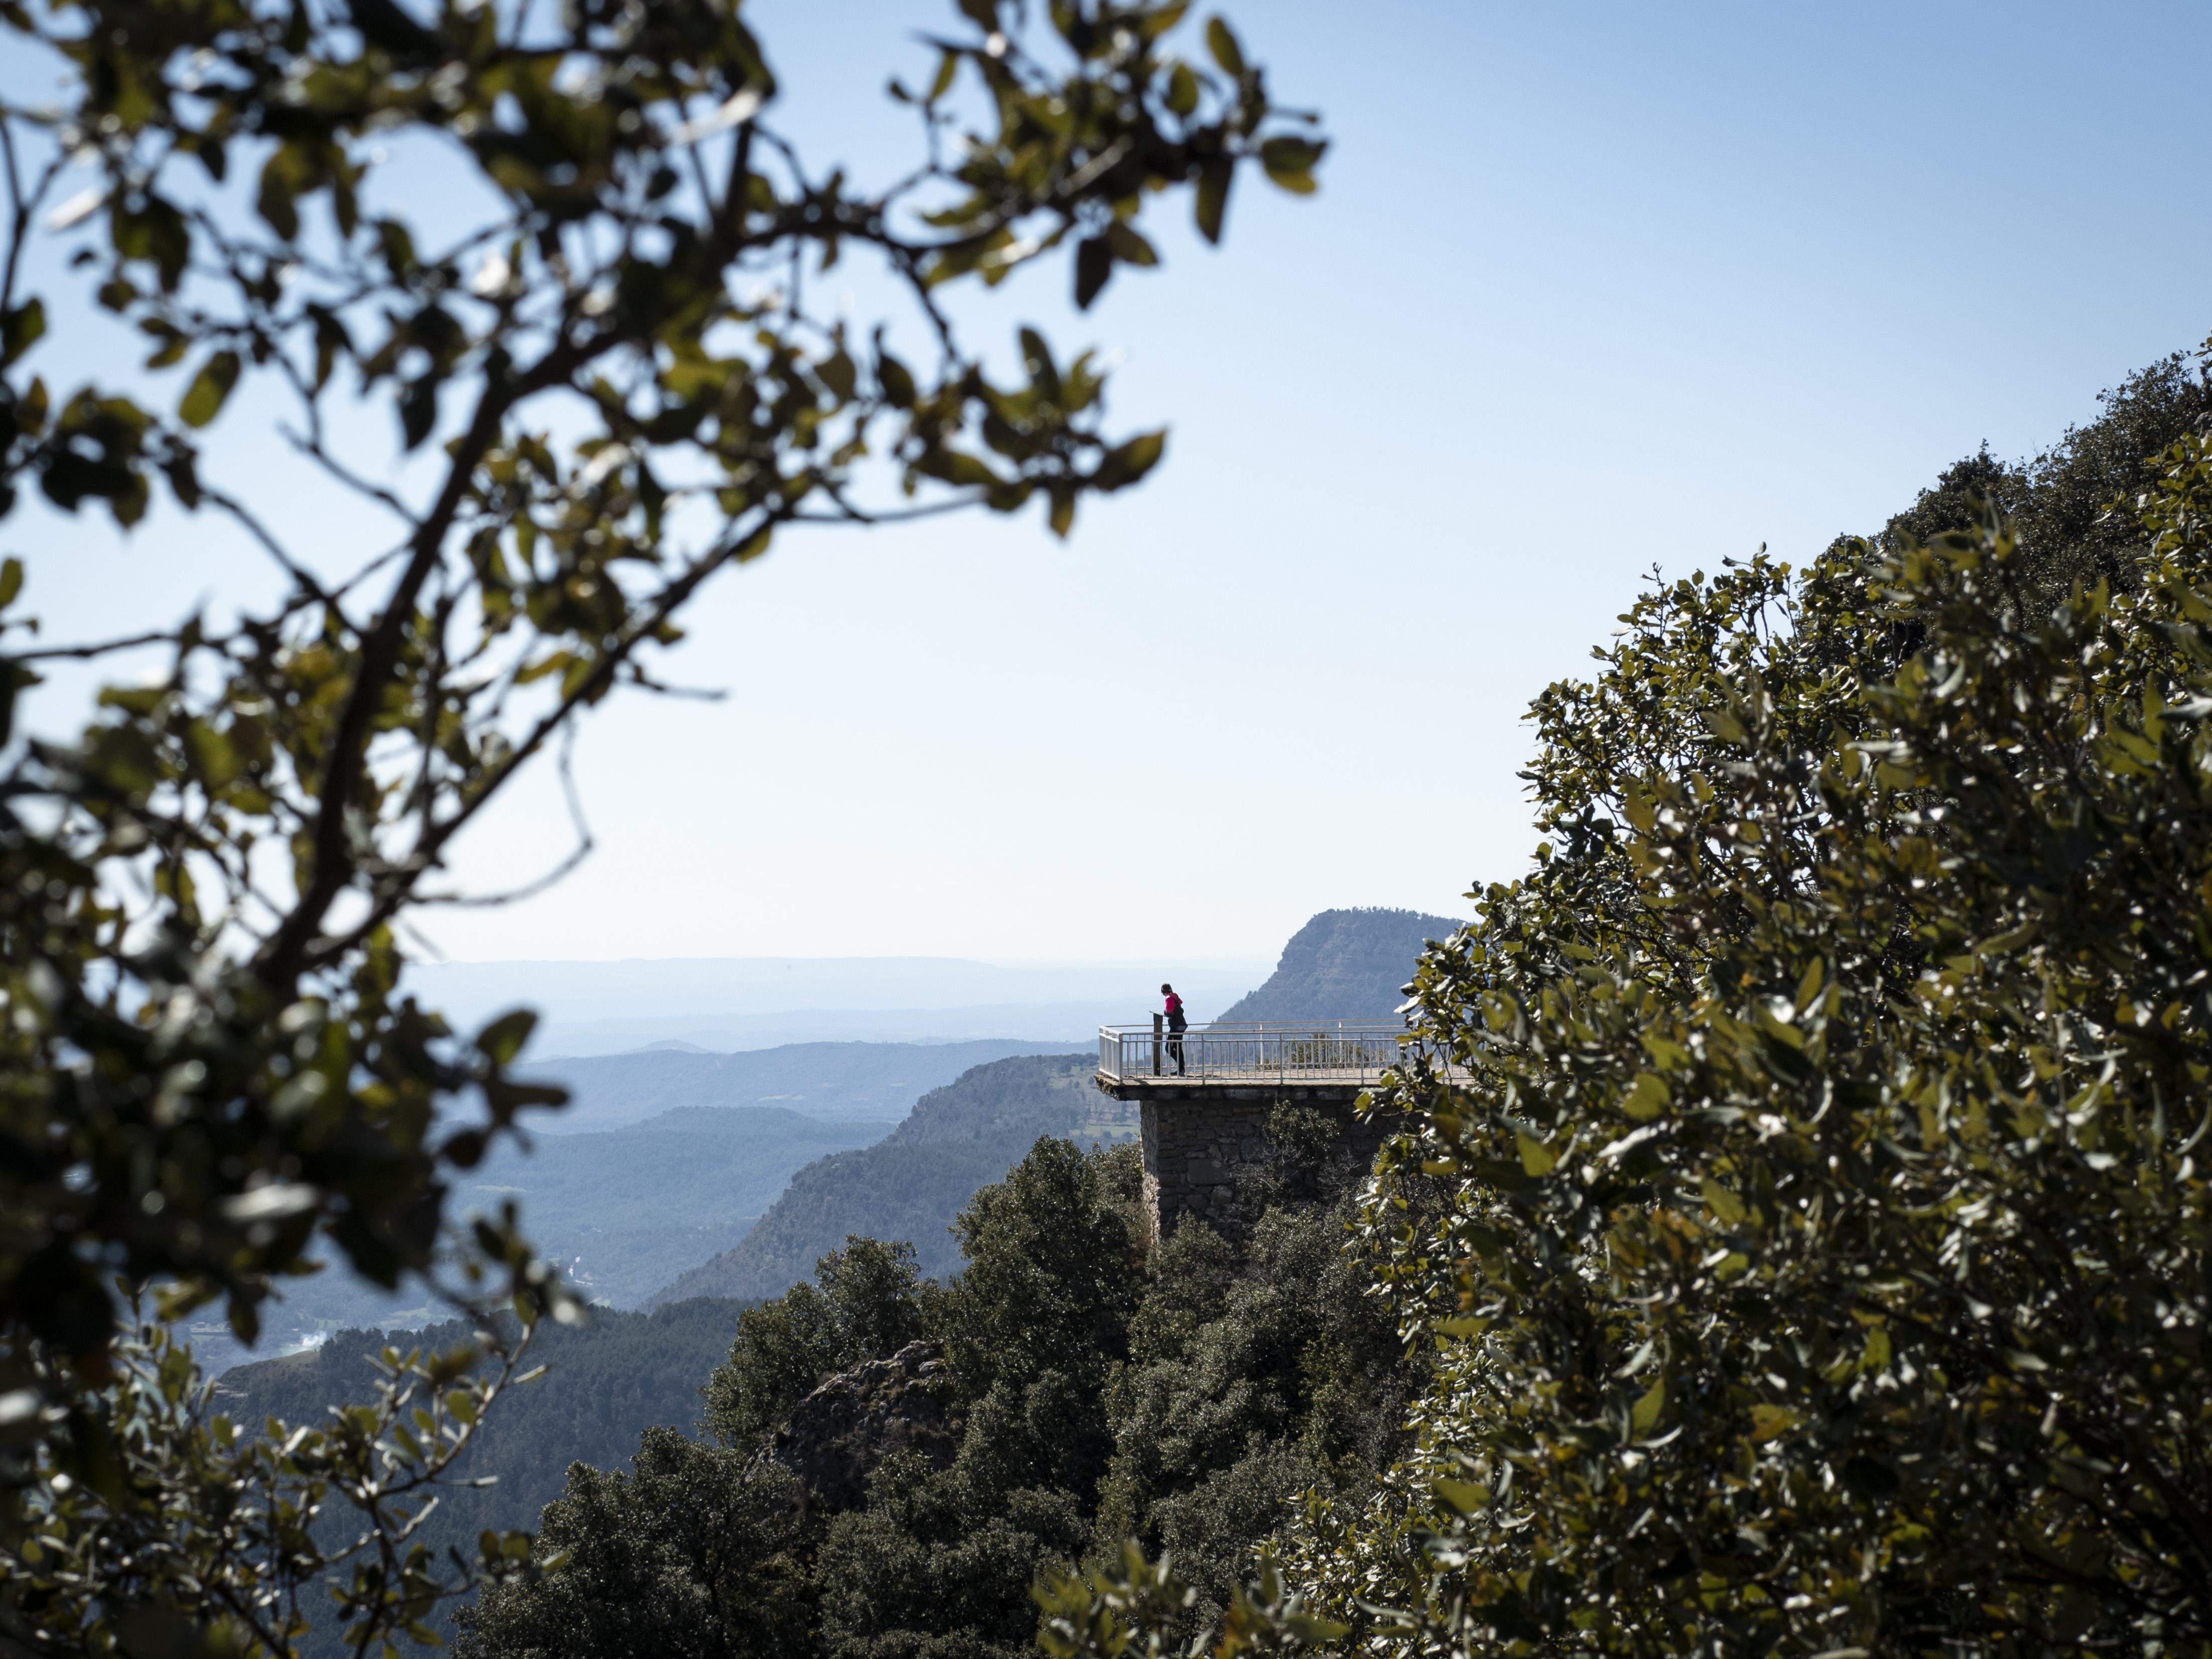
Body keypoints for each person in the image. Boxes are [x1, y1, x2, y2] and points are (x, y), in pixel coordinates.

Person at [1161, 982, 1188, 1076]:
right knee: (1178, 1047)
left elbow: (1169, 1012)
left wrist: (1165, 1012)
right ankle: (1181, 1069)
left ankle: (1181, 1066)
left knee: (1168, 1048)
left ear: (1163, 991)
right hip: (1182, 1025)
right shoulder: (1175, 997)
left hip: (1176, 1026)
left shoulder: (1169, 998)